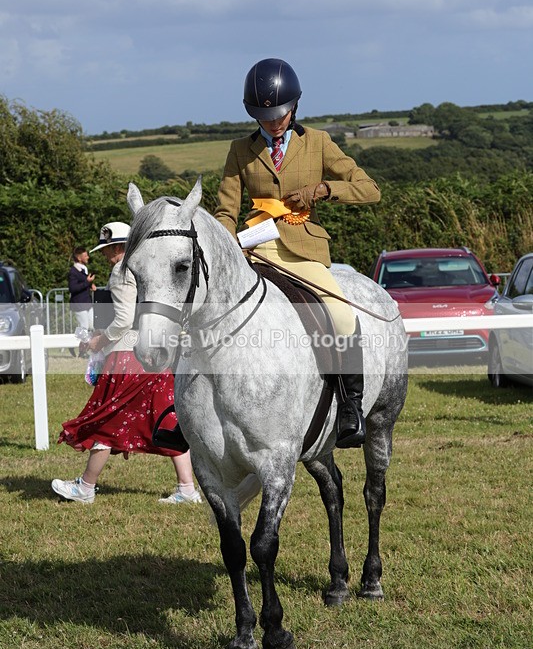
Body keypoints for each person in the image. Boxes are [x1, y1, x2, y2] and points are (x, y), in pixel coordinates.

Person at [213, 57, 381, 448]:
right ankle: (187, 408)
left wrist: (322, 190)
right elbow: (225, 211)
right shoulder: (240, 150)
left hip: (302, 246)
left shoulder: (318, 142)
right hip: (255, 246)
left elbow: (369, 188)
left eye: (280, 113)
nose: (273, 122)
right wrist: (226, 249)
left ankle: (350, 407)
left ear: (295, 106)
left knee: (340, 314)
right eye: (265, 116)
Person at [52, 221, 201, 505]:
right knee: (165, 418)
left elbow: (122, 320)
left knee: (105, 419)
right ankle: (187, 488)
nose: (106, 255)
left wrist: (99, 341)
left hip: (126, 356)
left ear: (120, 247)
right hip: (151, 355)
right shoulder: (147, 266)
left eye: (109, 248)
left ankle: (85, 487)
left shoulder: (121, 272)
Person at [68, 246, 96, 333]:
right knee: (84, 326)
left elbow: (83, 284)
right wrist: (87, 282)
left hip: (87, 302)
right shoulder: (73, 271)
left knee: (92, 325)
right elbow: (72, 288)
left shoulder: (84, 269)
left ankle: (90, 345)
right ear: (79, 258)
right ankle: (79, 344)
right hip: (79, 304)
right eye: (85, 255)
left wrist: (90, 286)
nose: (88, 257)